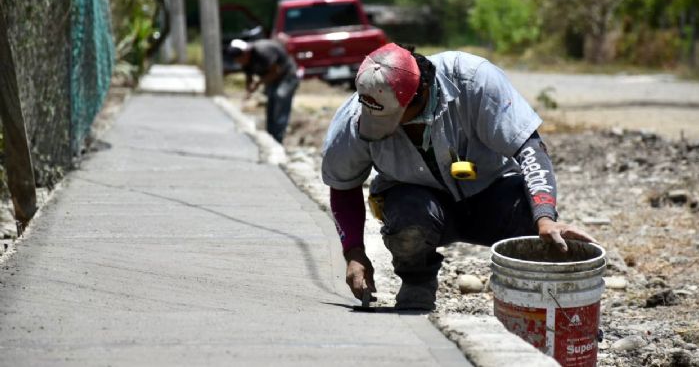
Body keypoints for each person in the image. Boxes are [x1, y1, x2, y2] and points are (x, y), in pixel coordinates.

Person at [321, 43, 598, 311]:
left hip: (492, 193)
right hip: (418, 204)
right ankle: (417, 283)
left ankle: (537, 304)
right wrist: (353, 252)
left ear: (422, 93)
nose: (386, 127)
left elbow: (530, 149)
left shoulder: (473, 79)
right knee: (407, 220)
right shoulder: (353, 119)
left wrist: (546, 218)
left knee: (536, 224)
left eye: (394, 118)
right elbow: (343, 185)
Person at [228, 39, 299, 143]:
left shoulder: (263, 52)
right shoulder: (245, 61)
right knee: (271, 101)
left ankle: (278, 138)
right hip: (271, 78)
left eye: (240, 59)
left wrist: (258, 83)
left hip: (287, 76)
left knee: (280, 97)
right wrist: (248, 91)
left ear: (246, 53)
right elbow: (249, 76)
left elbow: (276, 71)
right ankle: (271, 136)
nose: (239, 62)